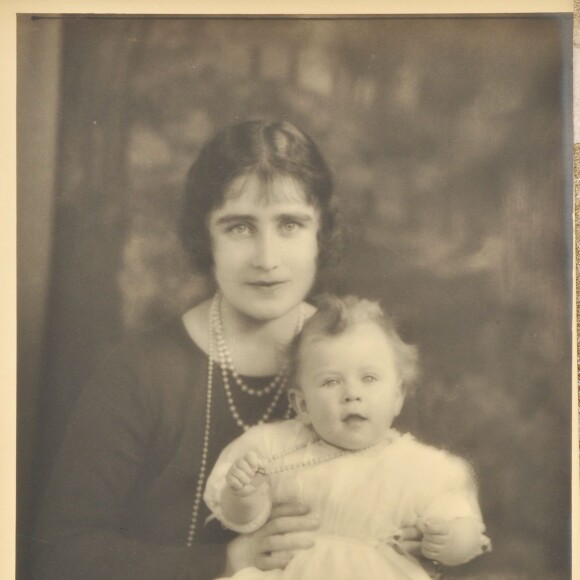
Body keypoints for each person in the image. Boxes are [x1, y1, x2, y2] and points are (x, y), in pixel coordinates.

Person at [36, 120, 426, 579]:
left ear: (321, 233)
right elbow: (60, 554)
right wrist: (226, 561)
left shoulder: (363, 359)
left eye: (289, 224)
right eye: (239, 227)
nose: (266, 257)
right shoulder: (138, 373)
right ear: (206, 238)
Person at [204, 295, 491, 580]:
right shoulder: (276, 447)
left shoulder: (421, 468)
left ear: (397, 396)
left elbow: (464, 527)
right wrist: (243, 494)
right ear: (302, 405)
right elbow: (241, 519)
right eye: (331, 381)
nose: (352, 394)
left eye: (369, 378)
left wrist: (450, 540)